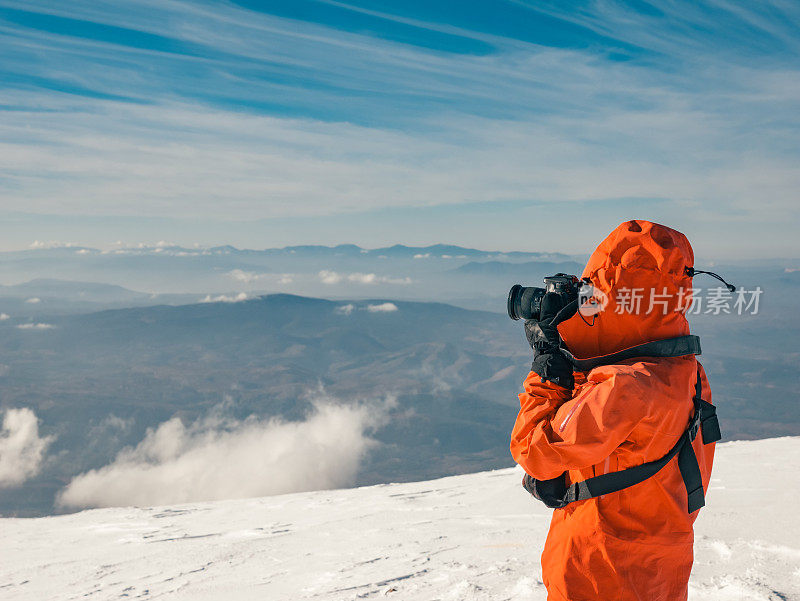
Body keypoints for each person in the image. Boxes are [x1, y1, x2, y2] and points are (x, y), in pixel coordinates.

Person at [509, 220, 717, 601]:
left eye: (593, 291)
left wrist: (545, 371)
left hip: (599, 566)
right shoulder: (682, 369)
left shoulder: (624, 387)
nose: (587, 301)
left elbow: (535, 451)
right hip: (661, 558)